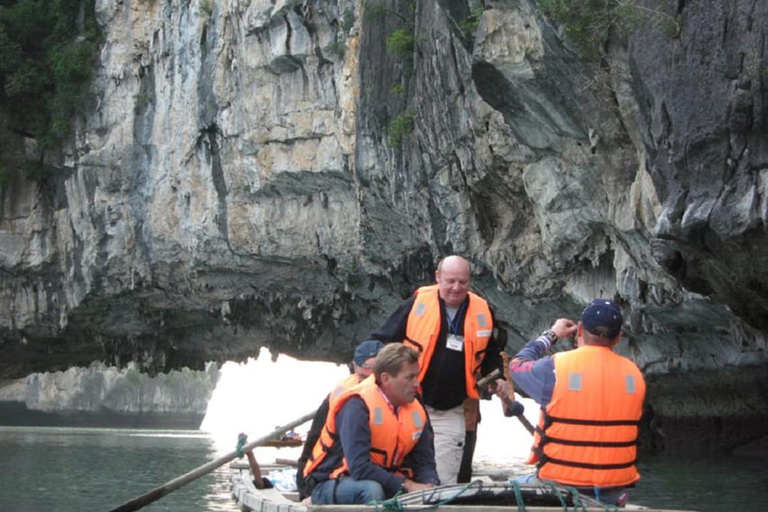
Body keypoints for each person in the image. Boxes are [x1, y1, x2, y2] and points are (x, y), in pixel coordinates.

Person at [370, 255, 508, 484]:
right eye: (450, 281)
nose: (456, 288)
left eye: (462, 282)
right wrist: (365, 369)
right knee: (404, 472)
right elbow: (380, 339)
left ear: (470, 281)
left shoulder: (483, 310)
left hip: (453, 407)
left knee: (445, 479)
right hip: (409, 405)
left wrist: (498, 376)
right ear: (437, 277)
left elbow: (491, 352)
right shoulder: (415, 305)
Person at [509, 299, 646, 507]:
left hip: (561, 485)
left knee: (512, 486)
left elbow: (517, 365)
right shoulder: (634, 376)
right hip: (613, 488)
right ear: (618, 337)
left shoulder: (555, 368)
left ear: (580, 329)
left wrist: (552, 335)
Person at [302, 343, 439, 504]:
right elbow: (359, 468)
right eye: (410, 377)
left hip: (382, 478)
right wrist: (406, 484)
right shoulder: (357, 405)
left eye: (417, 375)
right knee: (371, 490)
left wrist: (430, 484)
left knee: (435, 493)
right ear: (386, 379)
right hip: (331, 480)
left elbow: (424, 461)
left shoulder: (415, 407)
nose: (417, 383)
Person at [296, 339, 384, 499]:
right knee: (372, 491)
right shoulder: (342, 398)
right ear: (355, 368)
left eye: (374, 378)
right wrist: (303, 490)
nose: (369, 385)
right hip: (332, 476)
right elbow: (312, 441)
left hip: (379, 473)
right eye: (364, 377)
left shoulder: (401, 399)